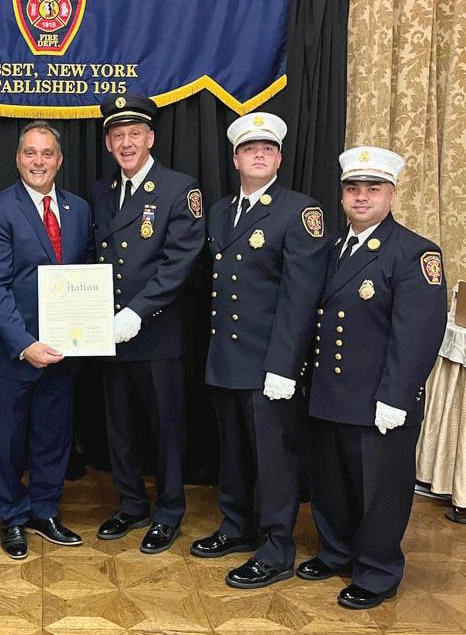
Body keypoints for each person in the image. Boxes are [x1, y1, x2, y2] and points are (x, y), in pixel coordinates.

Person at [296, 146, 447, 609]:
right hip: (330, 392)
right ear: (342, 195)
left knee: (380, 492)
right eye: (352, 188)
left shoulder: (415, 252)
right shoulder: (330, 248)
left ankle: (378, 572)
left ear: (392, 194)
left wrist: (396, 397)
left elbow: (419, 334)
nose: (361, 197)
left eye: (373, 188)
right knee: (332, 483)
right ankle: (337, 552)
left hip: (380, 399)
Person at [190, 112, 330, 589]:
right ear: (235, 159)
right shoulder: (219, 211)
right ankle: (236, 526)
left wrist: (284, 366)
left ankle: (276, 547)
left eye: (267, 149)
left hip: (271, 364)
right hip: (226, 359)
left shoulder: (299, 211)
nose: (259, 155)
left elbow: (300, 297)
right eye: (250, 149)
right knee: (233, 454)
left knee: (274, 461)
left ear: (279, 158)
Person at [92, 95, 206, 554]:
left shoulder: (179, 189)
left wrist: (135, 312)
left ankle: (169, 510)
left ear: (151, 138)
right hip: (107, 333)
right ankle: (131, 503)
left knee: (165, 429)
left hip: (156, 334)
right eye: (118, 135)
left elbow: (179, 263)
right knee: (119, 427)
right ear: (108, 143)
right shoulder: (102, 192)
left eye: (134, 134)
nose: (126, 143)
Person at [0, 120, 92, 559]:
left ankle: (45, 510)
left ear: (59, 160)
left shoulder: (79, 209)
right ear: (18, 159)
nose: (38, 161)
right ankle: (12, 516)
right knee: (7, 440)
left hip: (63, 349)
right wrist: (26, 344)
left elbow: (85, 276)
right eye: (30, 153)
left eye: (46, 153)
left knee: (53, 436)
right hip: (13, 353)